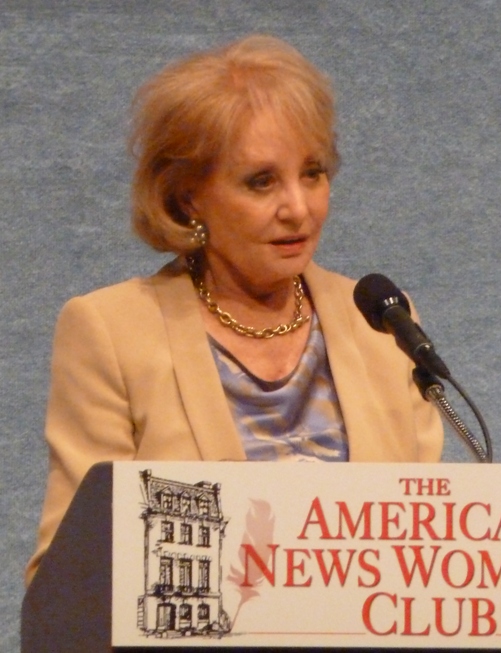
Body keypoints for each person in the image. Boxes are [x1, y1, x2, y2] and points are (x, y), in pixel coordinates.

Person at [25, 34, 443, 585]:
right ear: (187, 196)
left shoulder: (382, 321)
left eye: (312, 173)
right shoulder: (110, 331)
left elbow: (427, 546)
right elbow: (67, 574)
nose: (298, 208)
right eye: (261, 181)